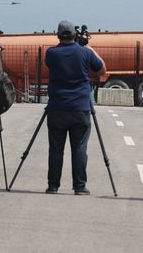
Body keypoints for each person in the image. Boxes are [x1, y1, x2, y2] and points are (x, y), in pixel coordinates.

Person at [44, 20, 106, 195]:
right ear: (75, 35)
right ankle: (79, 186)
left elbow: (53, 62)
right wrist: (88, 47)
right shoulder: (85, 53)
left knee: (56, 148)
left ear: (58, 35)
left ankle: (53, 185)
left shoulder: (51, 53)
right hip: (80, 107)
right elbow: (102, 70)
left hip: (56, 107)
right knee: (79, 147)